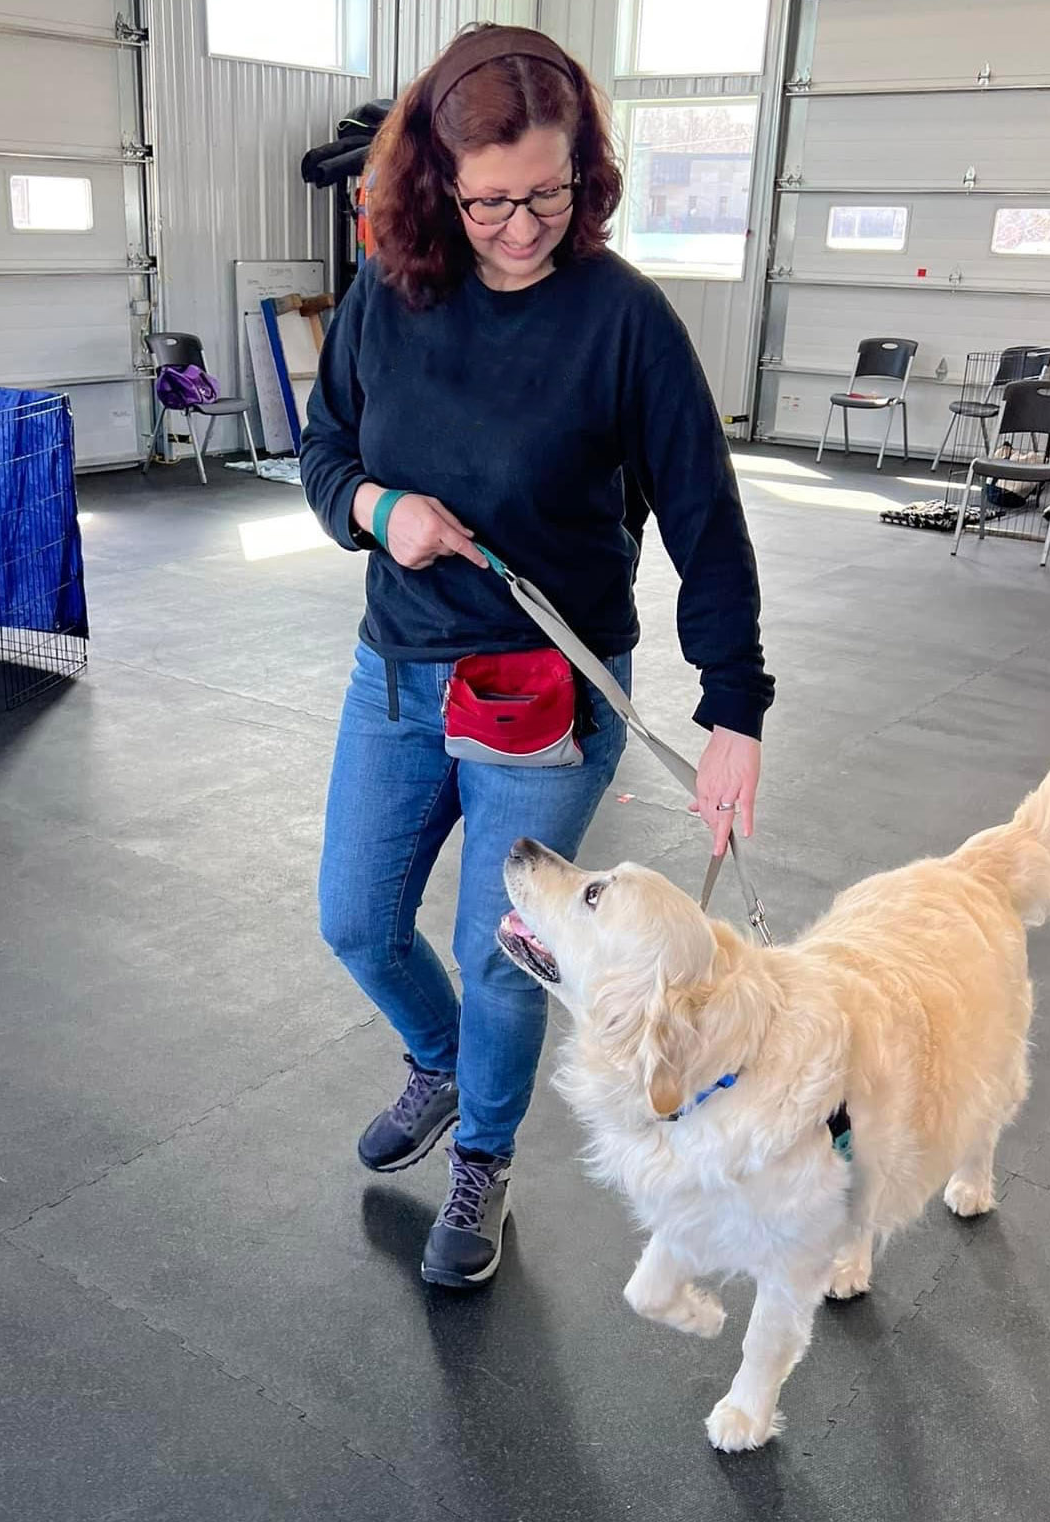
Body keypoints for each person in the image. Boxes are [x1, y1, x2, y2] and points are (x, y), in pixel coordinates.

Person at [300, 23, 774, 1290]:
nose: (522, 225)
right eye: (493, 198)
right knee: (354, 918)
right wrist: (373, 509)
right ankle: (441, 1065)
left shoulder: (625, 321)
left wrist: (737, 711)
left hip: (547, 698)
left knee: (508, 952)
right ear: (436, 184)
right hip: (397, 673)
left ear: (588, 171)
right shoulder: (387, 297)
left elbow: (705, 518)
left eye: (549, 193)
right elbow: (324, 446)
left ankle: (486, 1157)